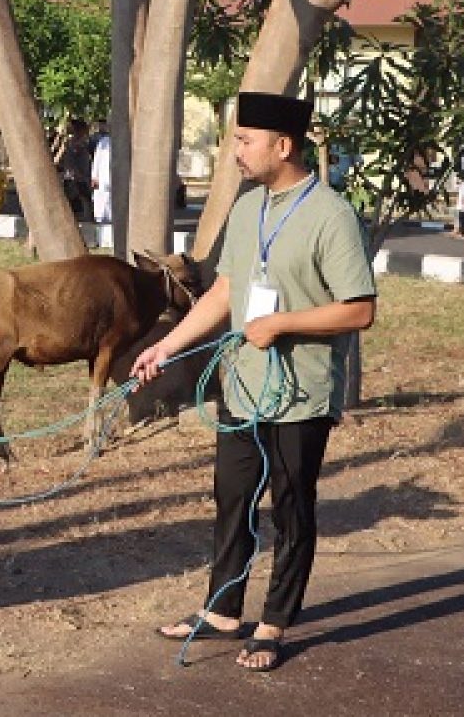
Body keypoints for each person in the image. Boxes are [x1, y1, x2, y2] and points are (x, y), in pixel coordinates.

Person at [133, 92, 376, 673]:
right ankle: (222, 610)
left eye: (245, 141)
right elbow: (222, 292)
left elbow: (359, 310)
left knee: (291, 508)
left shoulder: (331, 215)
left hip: (299, 395)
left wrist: (284, 323)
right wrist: (166, 347)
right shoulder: (247, 208)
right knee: (232, 499)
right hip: (241, 386)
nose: (236, 152)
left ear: (283, 146)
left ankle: (274, 622)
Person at [53, 119, 94, 221]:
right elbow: (66, 163)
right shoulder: (71, 145)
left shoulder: (82, 144)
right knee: (79, 209)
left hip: (80, 180)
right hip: (75, 181)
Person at [91, 121, 113, 224]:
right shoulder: (103, 142)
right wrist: (94, 176)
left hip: (116, 181)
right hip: (103, 180)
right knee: (101, 205)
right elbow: (97, 160)